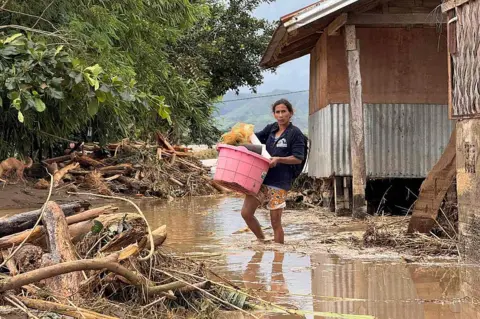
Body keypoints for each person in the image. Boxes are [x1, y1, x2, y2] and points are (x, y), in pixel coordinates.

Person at [241, 99, 305, 244]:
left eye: (284, 111)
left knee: (275, 223)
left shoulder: (295, 133)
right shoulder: (271, 129)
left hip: (280, 182)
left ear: (290, 113)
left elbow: (298, 158)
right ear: (274, 114)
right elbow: (255, 140)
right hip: (261, 179)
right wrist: (237, 143)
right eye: (278, 112)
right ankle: (262, 240)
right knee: (246, 213)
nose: (281, 115)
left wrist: (278, 159)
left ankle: (278, 258)